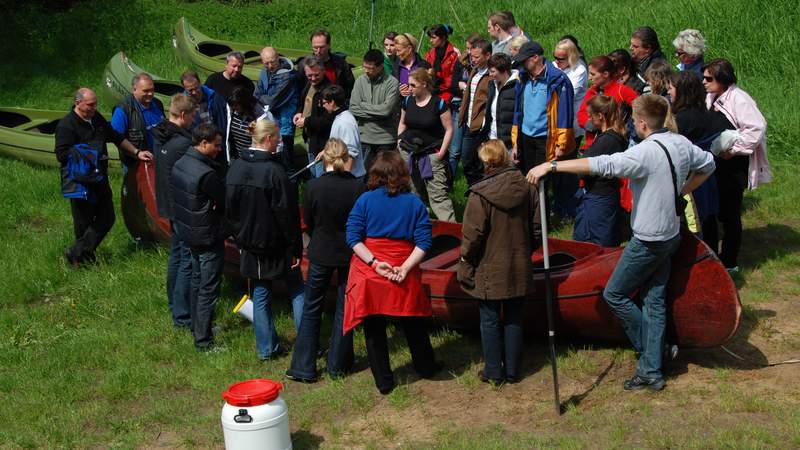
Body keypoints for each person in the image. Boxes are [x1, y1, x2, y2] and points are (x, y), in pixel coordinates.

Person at [527, 94, 716, 391]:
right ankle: (652, 368)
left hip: (650, 238)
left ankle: (656, 353)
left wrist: (552, 167)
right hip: (671, 233)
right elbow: (708, 163)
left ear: (641, 123)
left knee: (614, 294)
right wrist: (682, 188)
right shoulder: (680, 143)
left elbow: (603, 164)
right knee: (654, 300)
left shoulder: (644, 153)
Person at [344, 150, 441, 395]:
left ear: (375, 174)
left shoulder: (365, 200)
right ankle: (426, 367)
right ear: (402, 173)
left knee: (374, 327)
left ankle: (384, 382)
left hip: (372, 271)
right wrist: (405, 268)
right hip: (401, 268)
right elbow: (424, 242)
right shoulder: (414, 203)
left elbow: (353, 238)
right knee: (413, 321)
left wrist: (376, 263)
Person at [458, 139, 540, 384]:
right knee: (514, 316)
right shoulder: (528, 188)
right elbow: (537, 229)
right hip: (519, 262)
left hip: (489, 265)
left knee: (490, 319)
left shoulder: (479, 194)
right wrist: (525, 251)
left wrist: (465, 262)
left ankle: (494, 371)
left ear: (485, 163)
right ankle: (513, 370)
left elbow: (472, 236)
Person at [286, 139, 366, 382]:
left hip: (321, 250)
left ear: (325, 159)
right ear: (345, 158)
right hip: (348, 252)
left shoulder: (313, 187)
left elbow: (308, 220)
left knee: (312, 306)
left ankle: (303, 367)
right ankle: (338, 365)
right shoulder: (357, 188)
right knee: (344, 307)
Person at [225, 119, 304, 359]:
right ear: (268, 139)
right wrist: (295, 248)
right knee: (298, 290)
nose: (280, 141)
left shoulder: (236, 167)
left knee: (260, 294)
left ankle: (266, 348)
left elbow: (230, 209)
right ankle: (306, 344)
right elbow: (287, 215)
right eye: (277, 137)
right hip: (276, 244)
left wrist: (239, 238)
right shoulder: (274, 172)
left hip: (250, 244)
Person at [55, 88, 144, 266]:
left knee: (107, 218)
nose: (94, 108)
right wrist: (86, 155)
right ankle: (82, 261)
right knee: (83, 222)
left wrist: (137, 152)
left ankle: (76, 251)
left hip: (100, 178)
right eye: (90, 105)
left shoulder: (96, 119)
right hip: (80, 182)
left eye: (95, 104)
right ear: (77, 102)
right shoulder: (66, 125)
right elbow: (61, 154)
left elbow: (116, 137)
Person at [703, 58, 772, 272]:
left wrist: (733, 150)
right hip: (715, 164)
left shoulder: (739, 99)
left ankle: (730, 261)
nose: (704, 82)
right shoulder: (712, 96)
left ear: (722, 79)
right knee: (713, 213)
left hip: (733, 167)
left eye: (708, 78)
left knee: (730, 214)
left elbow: (757, 128)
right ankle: (711, 257)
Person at [170, 124, 226, 351]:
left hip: (187, 231)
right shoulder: (206, 173)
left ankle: (197, 325)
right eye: (216, 145)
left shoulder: (180, 163)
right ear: (203, 144)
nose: (219, 149)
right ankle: (204, 340)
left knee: (195, 279)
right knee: (208, 287)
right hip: (207, 235)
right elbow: (224, 199)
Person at [669, 70, 728, 249]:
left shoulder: (680, 120)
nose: (669, 92)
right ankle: (712, 256)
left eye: (671, 88)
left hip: (690, 181)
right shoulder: (708, 114)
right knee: (708, 220)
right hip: (707, 176)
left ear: (681, 91)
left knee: (693, 226)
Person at [153, 94, 197, 328]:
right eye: (192, 116)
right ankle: (183, 315)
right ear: (183, 115)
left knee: (177, 256)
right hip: (181, 207)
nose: (193, 120)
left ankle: (175, 305)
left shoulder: (161, 136)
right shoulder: (182, 143)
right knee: (187, 262)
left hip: (167, 204)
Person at [397, 69, 455, 221]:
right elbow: (402, 123)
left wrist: (441, 153)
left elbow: (449, 129)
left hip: (430, 156)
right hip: (408, 153)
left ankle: (452, 233)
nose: (409, 88)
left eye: (412, 85)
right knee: (412, 192)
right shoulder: (408, 101)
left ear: (423, 84)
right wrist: (399, 141)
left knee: (438, 196)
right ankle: (417, 225)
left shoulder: (438, 104)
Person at [512, 41, 575, 176]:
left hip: (546, 139)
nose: (521, 65)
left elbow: (565, 114)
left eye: (524, 60)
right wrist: (515, 141)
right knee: (528, 176)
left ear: (535, 58)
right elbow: (518, 111)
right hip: (525, 137)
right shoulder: (522, 78)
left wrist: (561, 144)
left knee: (544, 180)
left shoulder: (558, 80)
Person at [573, 96, 628, 247]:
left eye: (591, 116)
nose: (589, 119)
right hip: (606, 195)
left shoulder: (607, 141)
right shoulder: (613, 137)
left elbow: (583, 168)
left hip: (599, 199)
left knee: (594, 244)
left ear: (601, 116)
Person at [552, 38, 589, 220]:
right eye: (555, 57)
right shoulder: (555, 66)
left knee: (567, 166)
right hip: (554, 126)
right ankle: (559, 205)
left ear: (571, 56)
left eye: (562, 58)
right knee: (557, 167)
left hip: (571, 126)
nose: (557, 62)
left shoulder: (579, 70)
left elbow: (565, 92)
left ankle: (570, 208)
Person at [349, 48, 400, 171]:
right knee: (363, 175)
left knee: (385, 175)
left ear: (380, 66)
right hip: (364, 138)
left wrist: (363, 105)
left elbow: (386, 111)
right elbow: (353, 108)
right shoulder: (360, 81)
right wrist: (379, 114)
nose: (366, 71)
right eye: (364, 67)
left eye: (370, 68)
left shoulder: (392, 83)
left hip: (385, 139)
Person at [577, 56, 638, 151]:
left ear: (605, 74)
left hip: (613, 145)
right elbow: (581, 115)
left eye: (593, 74)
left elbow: (642, 108)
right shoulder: (591, 91)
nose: (589, 78)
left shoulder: (622, 91)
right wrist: (594, 125)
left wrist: (628, 127)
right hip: (592, 144)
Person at [254, 47, 299, 173]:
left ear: (278, 58)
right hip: (270, 121)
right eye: (266, 63)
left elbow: (273, 101)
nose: (270, 65)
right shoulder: (264, 72)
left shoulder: (288, 76)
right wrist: (264, 98)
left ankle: (291, 186)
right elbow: (256, 95)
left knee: (286, 160)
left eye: (272, 62)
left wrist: (263, 98)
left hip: (284, 124)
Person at [111, 72, 164, 169]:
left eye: (152, 90)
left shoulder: (157, 104)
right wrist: (137, 152)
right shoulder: (123, 110)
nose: (150, 94)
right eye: (146, 91)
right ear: (134, 90)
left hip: (158, 160)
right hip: (135, 164)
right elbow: (116, 138)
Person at [458, 38, 493, 185]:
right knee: (467, 161)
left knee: (478, 162)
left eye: (477, 57)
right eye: (472, 56)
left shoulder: (491, 75)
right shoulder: (474, 70)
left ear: (488, 55)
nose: (473, 60)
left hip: (480, 125)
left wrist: (484, 123)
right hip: (468, 122)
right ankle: (475, 189)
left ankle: (479, 190)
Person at [293, 56, 333, 178]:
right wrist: (299, 112)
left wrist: (306, 121)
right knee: (313, 171)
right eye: (309, 75)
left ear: (323, 71)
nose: (313, 78)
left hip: (321, 141)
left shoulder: (328, 91)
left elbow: (327, 120)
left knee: (320, 174)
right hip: (310, 137)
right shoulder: (309, 85)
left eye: (316, 75)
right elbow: (304, 102)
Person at [449, 32, 481, 176]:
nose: (468, 52)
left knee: (471, 150)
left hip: (474, 110)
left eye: (471, 49)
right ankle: (450, 179)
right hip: (459, 107)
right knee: (454, 149)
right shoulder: (461, 62)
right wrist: (463, 88)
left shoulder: (480, 67)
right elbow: (453, 86)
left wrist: (466, 86)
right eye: (467, 48)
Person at [322, 85, 366, 180]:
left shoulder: (345, 122)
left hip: (352, 177)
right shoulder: (340, 118)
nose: (323, 106)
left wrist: (344, 181)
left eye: (324, 103)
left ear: (332, 102)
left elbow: (350, 153)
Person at [481, 53, 519, 150]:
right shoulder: (492, 85)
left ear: (504, 71)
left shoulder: (517, 86)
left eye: (493, 71)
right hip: (491, 140)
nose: (490, 74)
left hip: (508, 144)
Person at [304, 28, 355, 98]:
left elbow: (350, 88)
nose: (318, 51)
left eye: (322, 47)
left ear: (329, 45)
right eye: (315, 48)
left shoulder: (340, 64)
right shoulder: (304, 65)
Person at [222, 86, 262, 163]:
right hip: (236, 157)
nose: (233, 107)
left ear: (244, 103)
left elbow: (253, 137)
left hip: (252, 159)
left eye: (236, 105)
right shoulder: (233, 114)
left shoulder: (256, 118)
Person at [424, 24, 460, 106]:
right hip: (431, 93)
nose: (430, 40)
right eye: (430, 37)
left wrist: (440, 85)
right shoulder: (430, 53)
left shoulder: (454, 53)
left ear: (443, 37)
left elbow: (455, 76)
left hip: (447, 95)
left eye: (434, 37)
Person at [629, 26, 668, 94]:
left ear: (647, 48)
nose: (630, 48)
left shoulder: (657, 68)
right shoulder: (638, 59)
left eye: (635, 46)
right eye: (631, 45)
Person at [392, 33, 431, 98]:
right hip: (401, 105)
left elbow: (432, 88)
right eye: (396, 51)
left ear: (409, 49)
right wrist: (398, 92)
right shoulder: (396, 66)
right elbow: (390, 88)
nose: (397, 54)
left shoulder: (424, 66)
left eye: (399, 51)